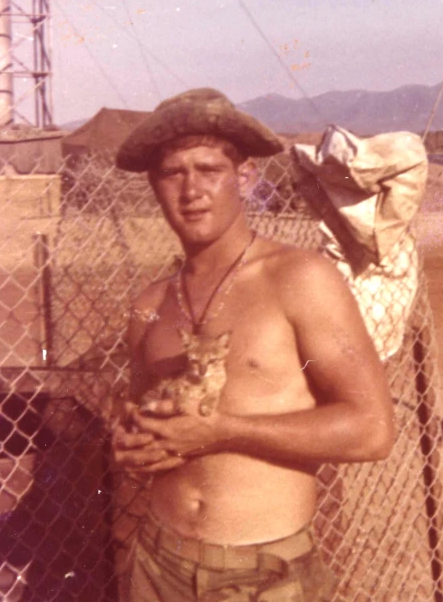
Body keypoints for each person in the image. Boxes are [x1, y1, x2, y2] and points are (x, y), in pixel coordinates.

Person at [113, 88, 395, 601]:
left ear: (245, 177)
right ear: (154, 186)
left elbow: (372, 430)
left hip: (262, 574)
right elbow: (140, 423)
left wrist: (222, 431)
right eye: (173, 173)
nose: (191, 190)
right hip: (156, 566)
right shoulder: (150, 303)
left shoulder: (299, 278)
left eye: (209, 170)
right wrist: (131, 443)